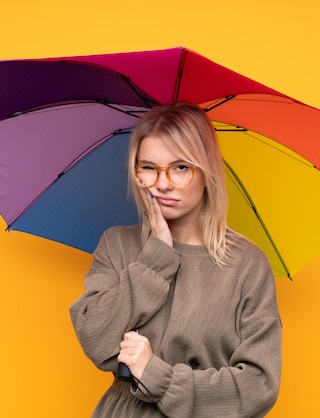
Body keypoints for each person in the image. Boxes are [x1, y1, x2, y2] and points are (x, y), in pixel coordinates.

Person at [69, 103, 281, 417]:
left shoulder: (247, 264)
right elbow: (97, 341)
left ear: (206, 171)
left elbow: (259, 385)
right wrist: (156, 256)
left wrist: (157, 376)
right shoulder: (117, 244)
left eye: (181, 167)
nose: (163, 183)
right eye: (149, 168)